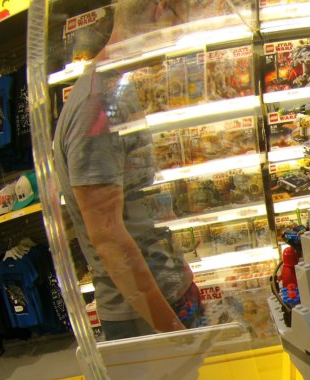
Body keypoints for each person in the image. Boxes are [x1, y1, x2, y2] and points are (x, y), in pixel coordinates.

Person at [52, 1, 200, 341]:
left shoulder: (116, 88)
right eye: (178, 26)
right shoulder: (96, 106)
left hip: (163, 301)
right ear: (160, 9)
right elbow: (108, 236)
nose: (177, 40)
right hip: (144, 318)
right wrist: (172, 333)